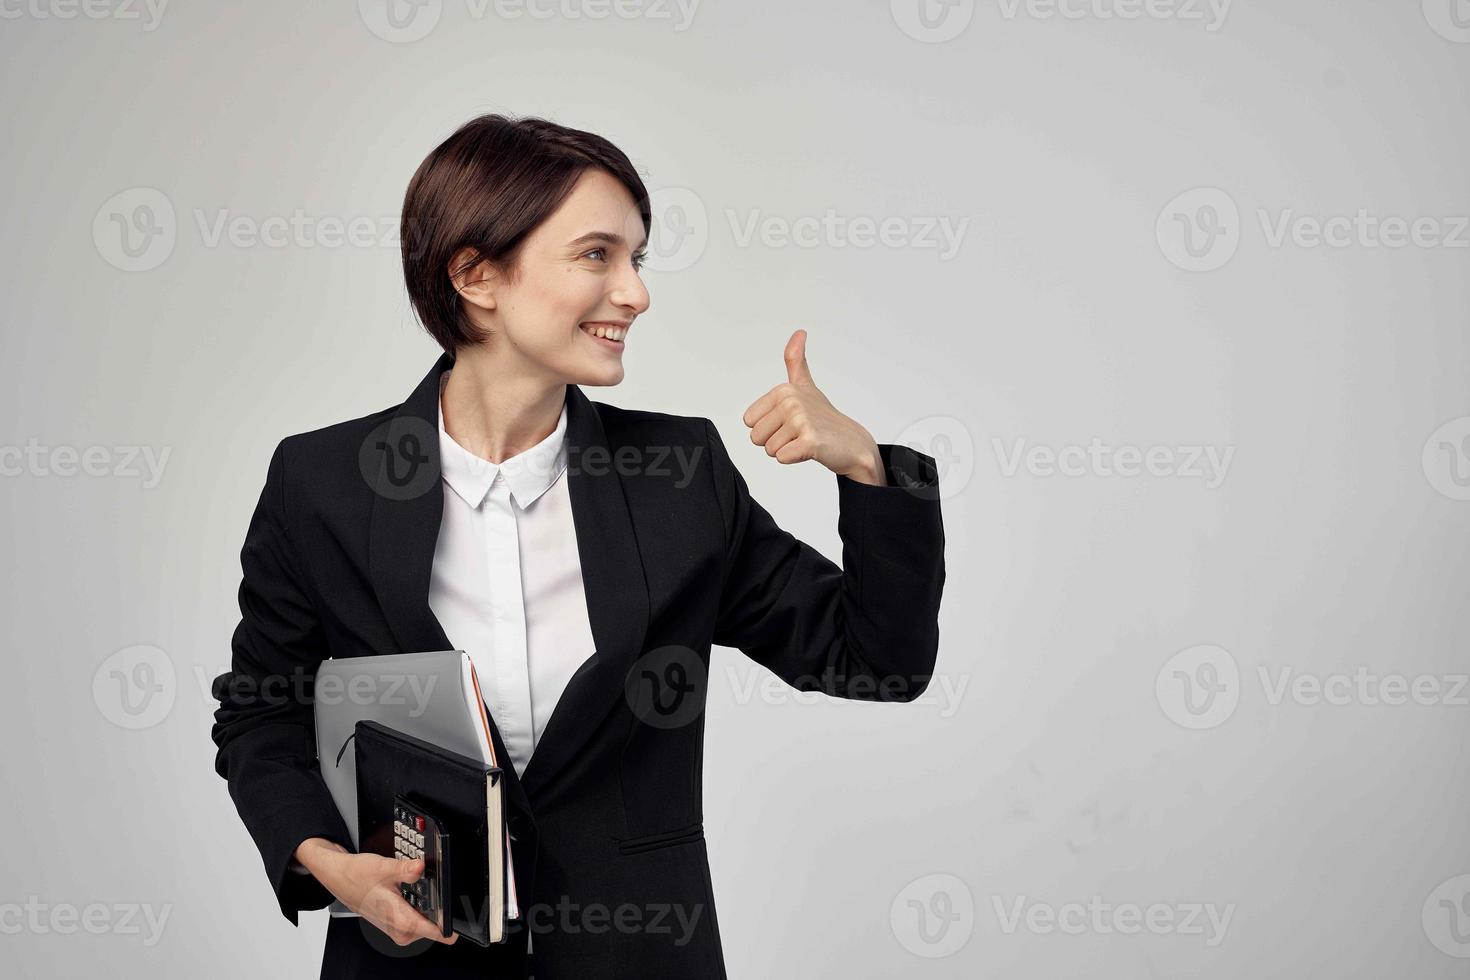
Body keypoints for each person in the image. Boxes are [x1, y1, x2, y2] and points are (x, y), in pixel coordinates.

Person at [210, 112, 946, 979]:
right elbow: (262, 714)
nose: (635, 292)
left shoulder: (681, 476)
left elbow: (878, 661)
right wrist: (327, 862)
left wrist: (864, 468)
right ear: (476, 274)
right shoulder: (322, 483)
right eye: (598, 255)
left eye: (637, 259)